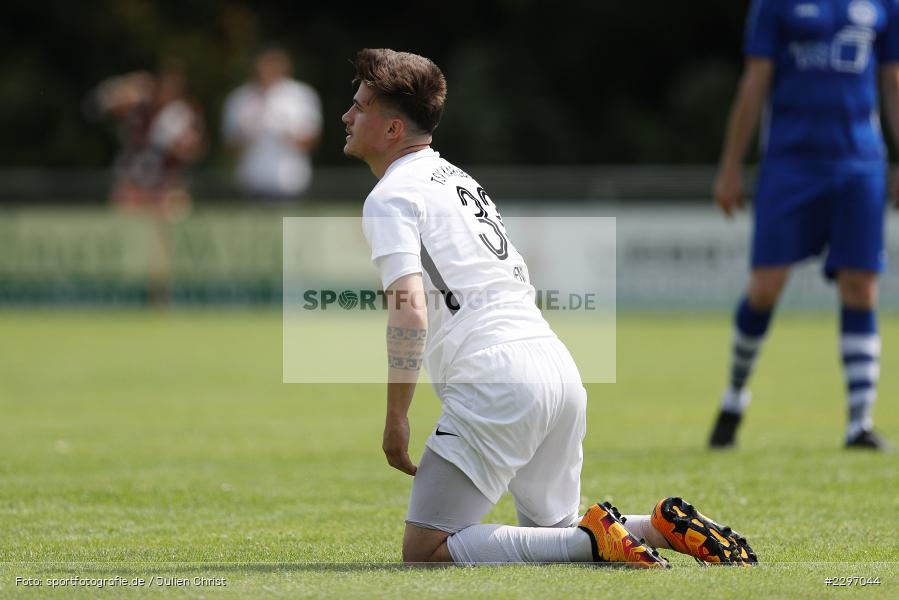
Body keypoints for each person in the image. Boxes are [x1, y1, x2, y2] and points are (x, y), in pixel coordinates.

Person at [344, 48, 757, 566]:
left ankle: (595, 543)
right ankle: (657, 527)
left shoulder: (390, 197)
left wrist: (396, 417)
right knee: (552, 533)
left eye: (360, 106)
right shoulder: (459, 179)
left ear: (393, 128)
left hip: (496, 380)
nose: (347, 115)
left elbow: (409, 310)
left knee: (426, 549)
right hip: (555, 369)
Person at [709, 0, 899, 451]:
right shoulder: (774, 5)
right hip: (789, 165)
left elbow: (893, 81)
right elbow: (755, 81)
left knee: (860, 286)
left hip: (860, 164)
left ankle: (859, 423)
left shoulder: (885, 5)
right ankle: (734, 396)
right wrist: (731, 165)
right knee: (764, 288)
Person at [89, 60, 205, 304]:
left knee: (164, 241)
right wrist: (128, 85)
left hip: (166, 185)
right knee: (123, 236)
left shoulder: (182, 112)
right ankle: (117, 291)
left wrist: (175, 145)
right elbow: (97, 105)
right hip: (134, 182)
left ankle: (162, 295)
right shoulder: (141, 107)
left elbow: (194, 151)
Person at [222, 47, 322, 200]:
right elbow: (230, 147)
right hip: (250, 183)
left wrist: (283, 129)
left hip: (290, 183)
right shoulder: (239, 98)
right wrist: (249, 130)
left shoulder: (300, 95)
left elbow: (311, 142)